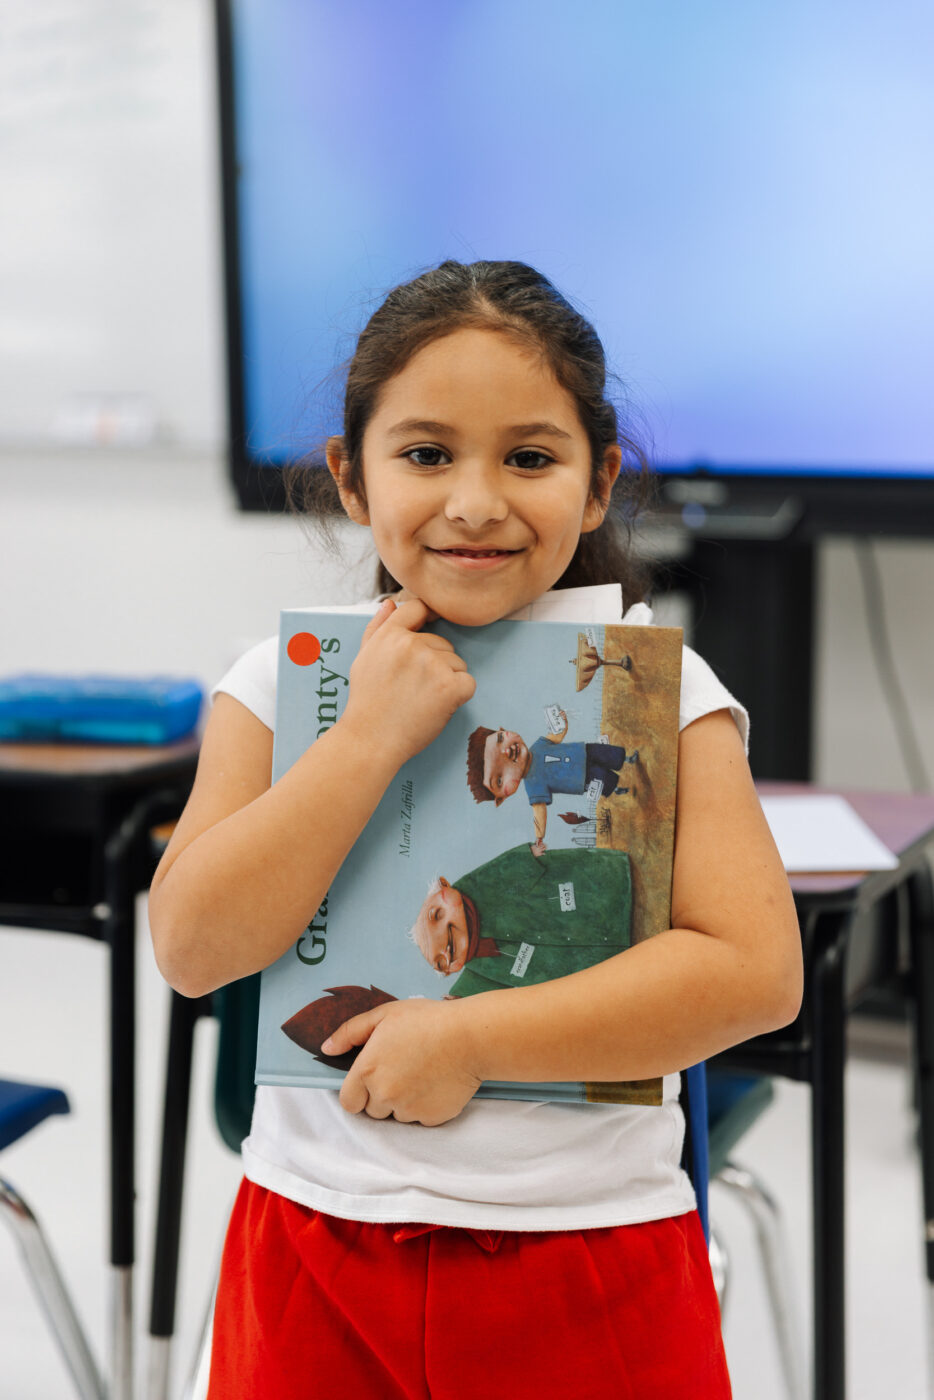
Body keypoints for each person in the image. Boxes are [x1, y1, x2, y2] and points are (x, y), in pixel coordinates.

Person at [149, 259, 802, 1399]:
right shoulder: (277, 681)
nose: (476, 499)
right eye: (426, 452)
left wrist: (472, 1038)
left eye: (531, 457)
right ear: (352, 479)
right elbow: (196, 946)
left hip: (589, 1250)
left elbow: (753, 972)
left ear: (599, 483)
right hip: (316, 1241)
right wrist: (362, 742)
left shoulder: (665, 690)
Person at [410, 844, 632, 993]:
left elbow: (502, 870)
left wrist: (528, 858)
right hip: (571, 963)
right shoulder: (480, 966)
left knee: (599, 900)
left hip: (566, 900)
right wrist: (457, 998)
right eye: (440, 961)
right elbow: (476, 989)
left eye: (437, 915)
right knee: (608, 968)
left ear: (445, 885)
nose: (446, 945)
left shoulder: (478, 886)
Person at [465, 712, 638, 853]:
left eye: (500, 739)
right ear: (501, 797)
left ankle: (628, 759)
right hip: (580, 778)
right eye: (499, 778)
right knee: (603, 779)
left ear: (502, 730)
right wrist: (539, 837)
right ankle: (620, 789)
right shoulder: (534, 787)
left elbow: (555, 737)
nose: (507, 752)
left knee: (606, 753)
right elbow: (539, 812)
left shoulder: (537, 746)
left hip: (583, 751)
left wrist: (562, 723)